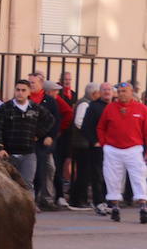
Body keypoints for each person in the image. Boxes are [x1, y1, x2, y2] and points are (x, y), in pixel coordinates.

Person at [96, 82, 147, 223]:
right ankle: (115, 208)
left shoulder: (142, 109)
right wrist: (104, 143)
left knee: (139, 177)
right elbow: (101, 127)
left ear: (132, 92)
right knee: (112, 178)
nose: (121, 94)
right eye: (119, 91)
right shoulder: (110, 108)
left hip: (134, 149)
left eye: (125, 91)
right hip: (113, 149)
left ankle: (143, 207)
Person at [0, 79, 50, 191]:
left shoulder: (35, 108)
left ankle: (28, 208)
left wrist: (38, 134)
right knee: (8, 185)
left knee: (27, 184)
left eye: (23, 90)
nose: (20, 93)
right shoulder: (5, 108)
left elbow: (50, 120)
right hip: (9, 153)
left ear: (29, 92)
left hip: (28, 153)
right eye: (18, 90)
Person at [27, 71, 70, 210]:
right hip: (27, 140)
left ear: (41, 84)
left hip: (43, 141)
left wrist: (51, 136)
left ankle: (43, 198)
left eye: (32, 82)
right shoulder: (25, 98)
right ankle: (31, 199)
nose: (30, 85)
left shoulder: (50, 101)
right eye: (29, 82)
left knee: (43, 170)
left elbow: (55, 120)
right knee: (30, 171)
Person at [69, 83, 107, 213]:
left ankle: (81, 199)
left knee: (87, 172)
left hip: (86, 143)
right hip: (83, 144)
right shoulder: (85, 104)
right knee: (84, 173)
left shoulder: (89, 103)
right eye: (99, 92)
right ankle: (78, 199)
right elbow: (79, 122)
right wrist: (91, 134)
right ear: (94, 94)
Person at [53, 71, 78, 208]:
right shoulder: (58, 94)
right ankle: (58, 193)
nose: (68, 81)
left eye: (69, 79)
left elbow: (71, 112)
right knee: (57, 162)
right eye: (66, 79)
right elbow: (67, 112)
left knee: (67, 161)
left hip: (69, 132)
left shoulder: (72, 94)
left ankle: (65, 190)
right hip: (59, 131)